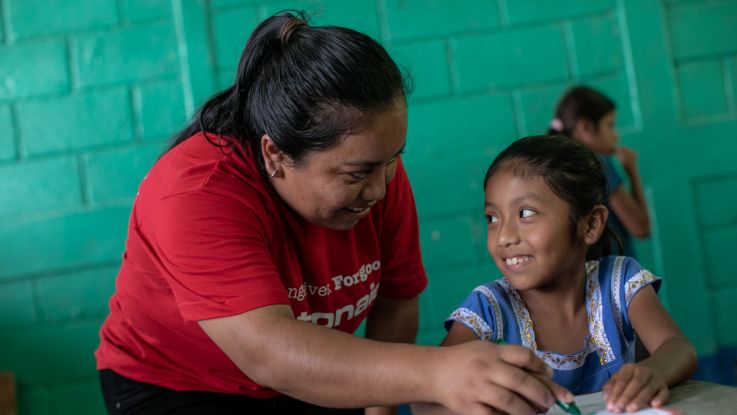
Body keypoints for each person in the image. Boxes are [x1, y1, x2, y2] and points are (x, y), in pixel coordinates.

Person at [95, 11, 571, 415]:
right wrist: (437, 373)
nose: (381, 188)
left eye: (392, 161)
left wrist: (383, 406)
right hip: (179, 385)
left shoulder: (378, 173)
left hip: (311, 368)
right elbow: (269, 352)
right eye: (357, 173)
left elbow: (397, 300)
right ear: (276, 154)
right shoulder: (193, 192)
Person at [415, 136, 696, 414]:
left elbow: (678, 349)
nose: (504, 236)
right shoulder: (489, 307)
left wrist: (653, 372)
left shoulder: (619, 282)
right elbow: (426, 402)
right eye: (492, 218)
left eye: (525, 213)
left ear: (590, 224)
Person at [548, 86, 649, 257]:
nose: (615, 135)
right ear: (585, 127)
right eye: (610, 125)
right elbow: (640, 228)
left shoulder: (552, 164)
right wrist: (632, 170)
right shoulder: (597, 163)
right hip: (613, 276)